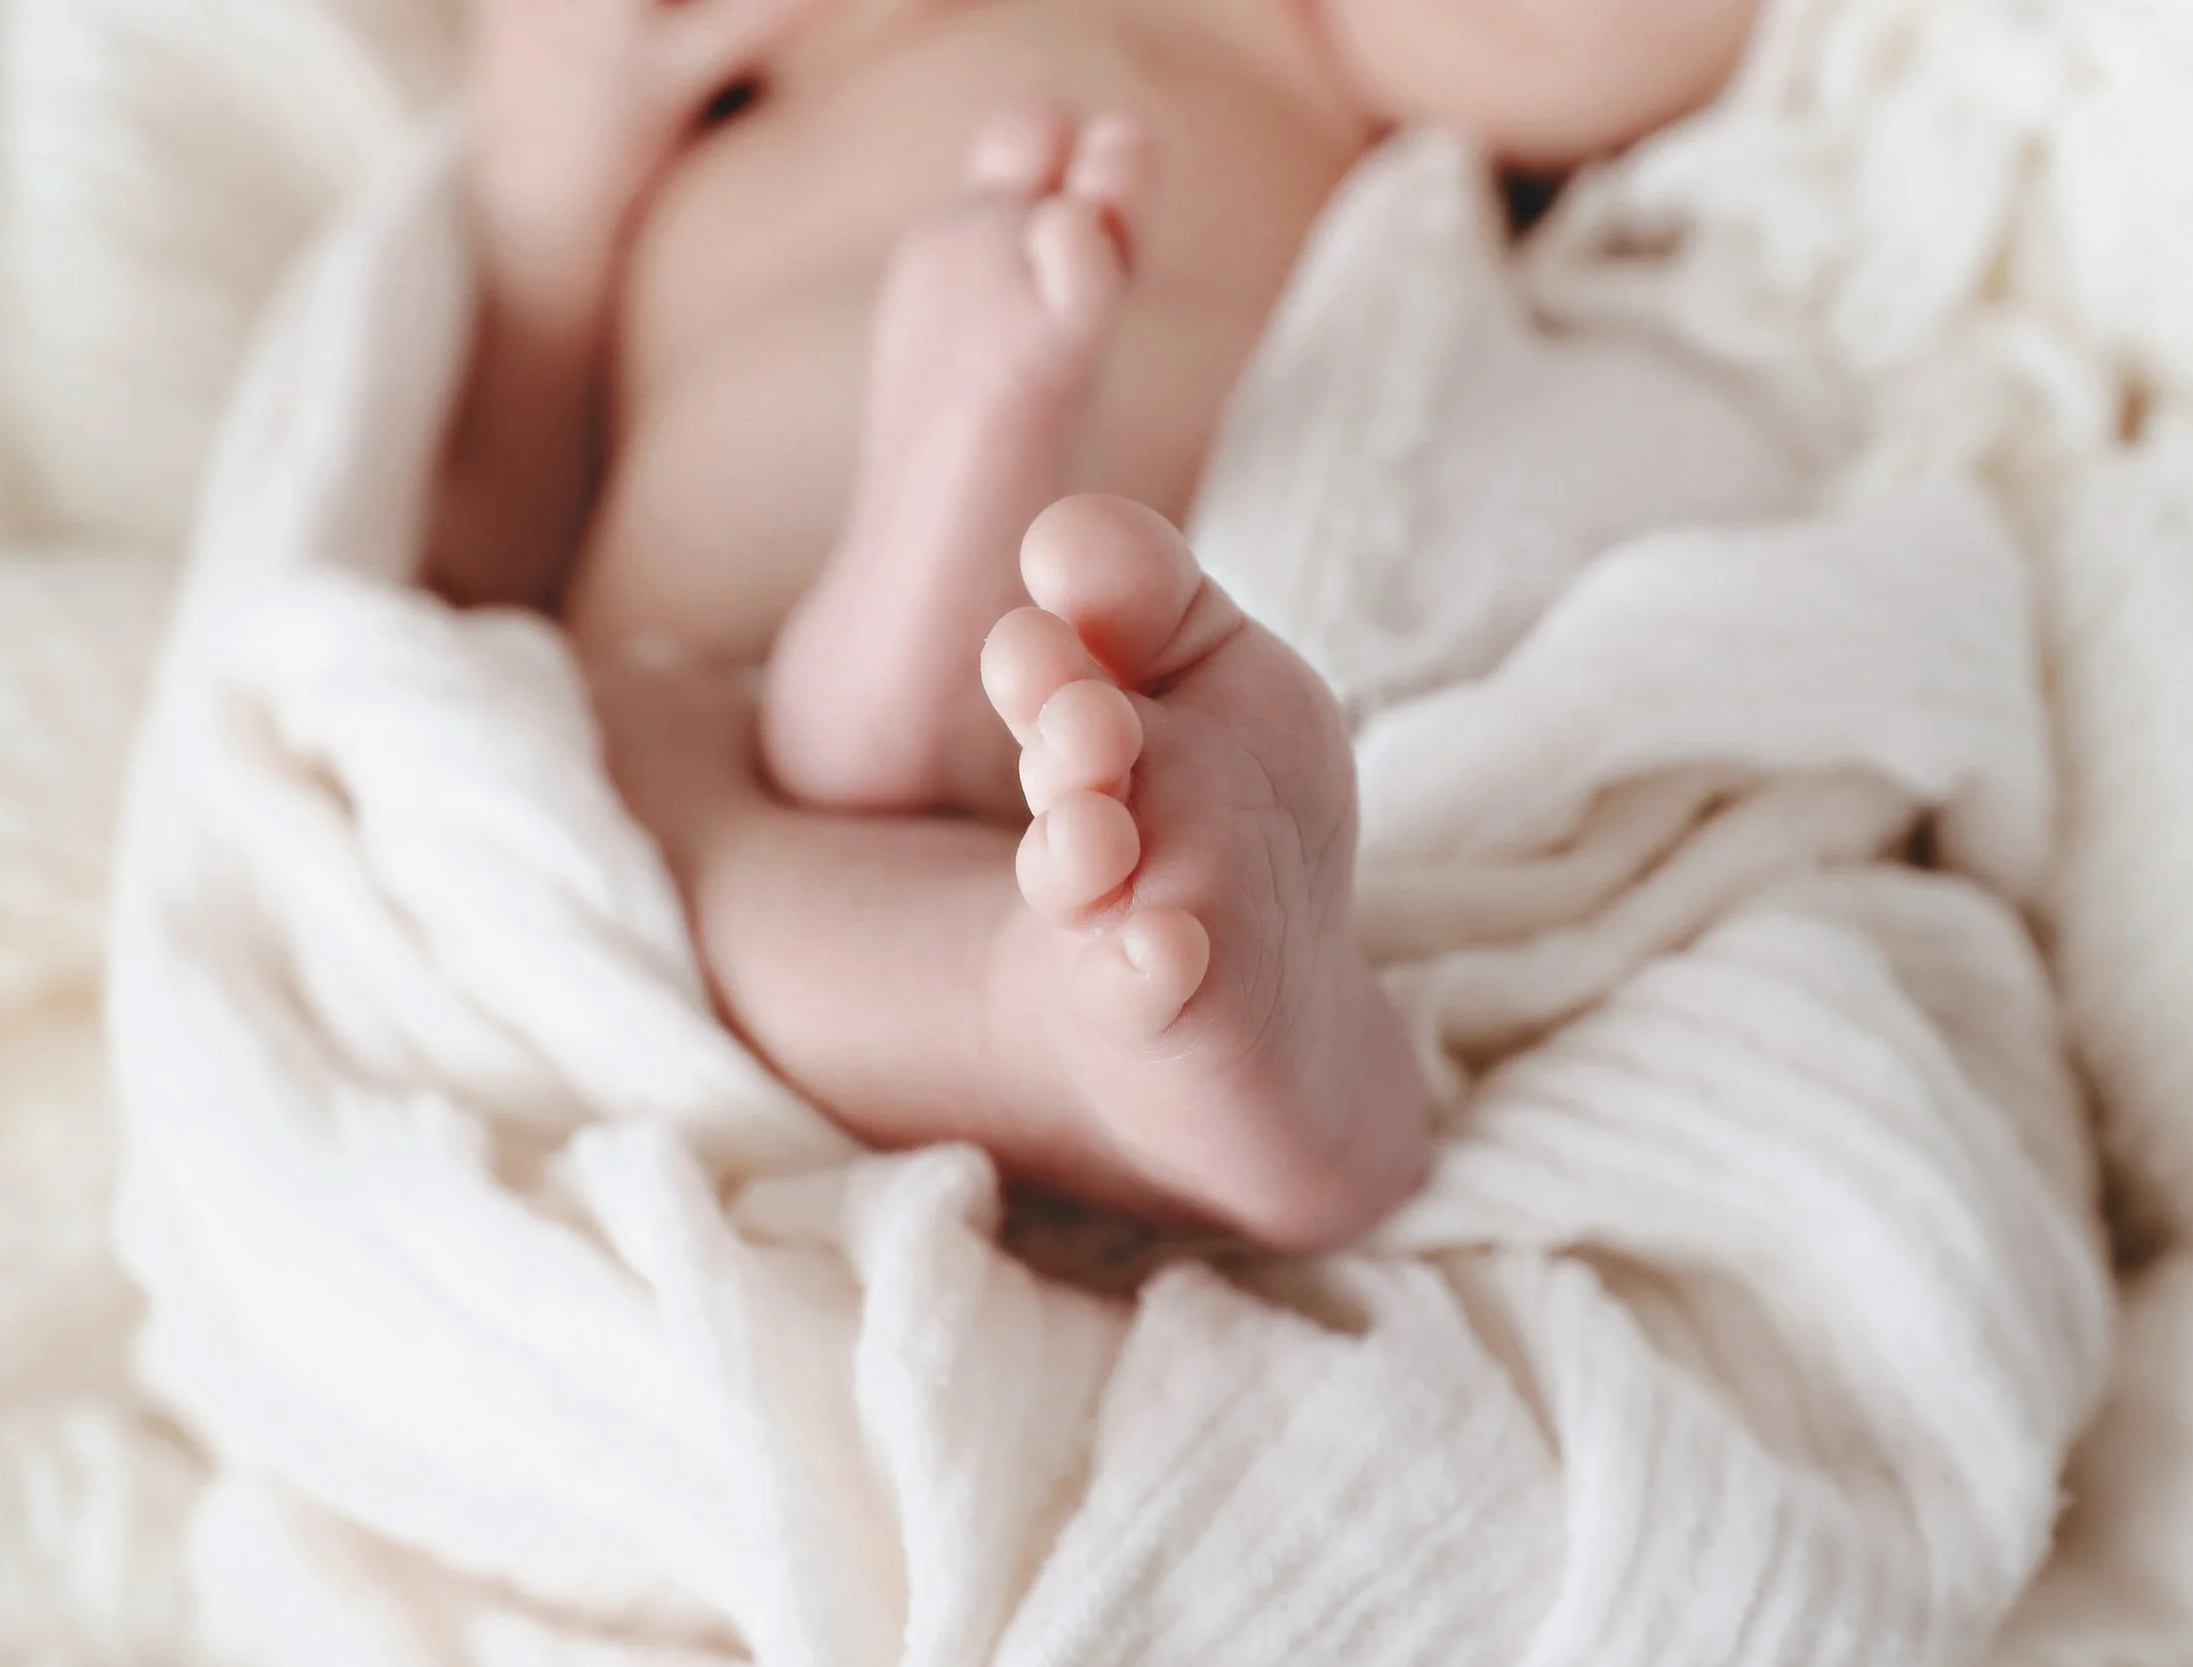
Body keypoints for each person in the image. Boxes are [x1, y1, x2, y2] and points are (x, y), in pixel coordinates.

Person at [423, 0, 1762, 1249]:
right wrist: (549, 171)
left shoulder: (1311, 31)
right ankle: (1093, 1031)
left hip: (1158, 659)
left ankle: (1210, 1019)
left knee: (1038, 843)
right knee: (609, 800)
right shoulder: (753, 40)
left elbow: (1610, 47)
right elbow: (484, 516)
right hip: (717, 676)